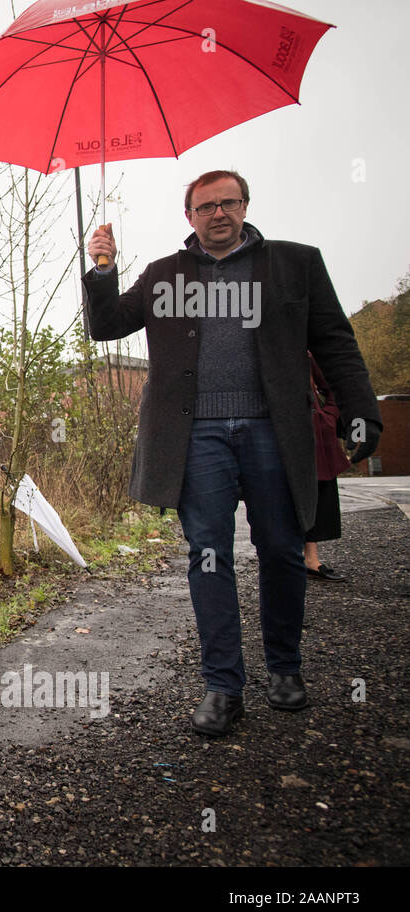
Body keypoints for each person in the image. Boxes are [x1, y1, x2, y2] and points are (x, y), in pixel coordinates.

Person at [83, 169, 380, 737]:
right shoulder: (163, 274)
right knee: (208, 555)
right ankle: (222, 686)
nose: (218, 213)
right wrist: (102, 271)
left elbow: (336, 341)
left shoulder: (296, 264)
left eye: (229, 203)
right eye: (206, 206)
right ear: (188, 216)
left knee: (283, 550)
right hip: (198, 438)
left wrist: (361, 408)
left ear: (245, 206)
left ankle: (285, 671)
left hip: (275, 430)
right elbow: (105, 327)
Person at [304, 352, 350, 582]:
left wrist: (328, 415)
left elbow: (332, 386)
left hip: (316, 433)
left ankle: (311, 559)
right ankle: (294, 560)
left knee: (318, 495)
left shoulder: (308, 353)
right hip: (282, 434)